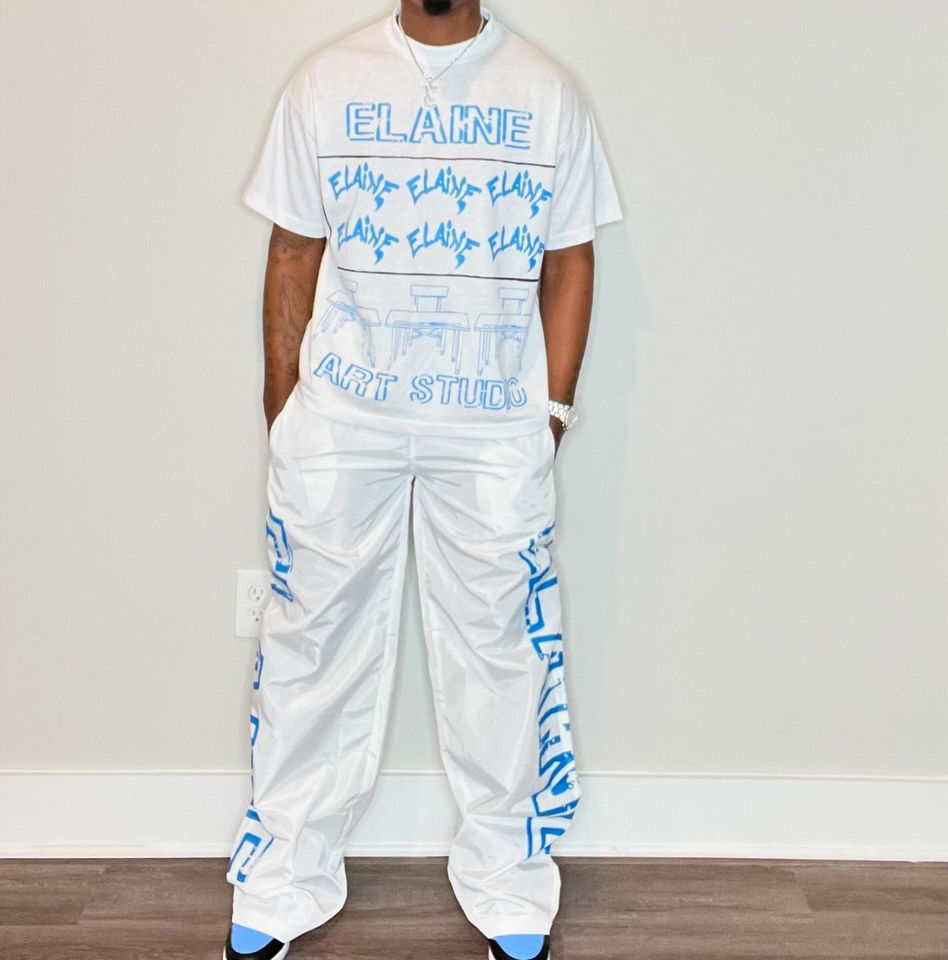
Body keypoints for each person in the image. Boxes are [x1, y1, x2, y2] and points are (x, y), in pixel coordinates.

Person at [223, 2, 621, 958]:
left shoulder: (547, 92)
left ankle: (509, 882)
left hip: (491, 428)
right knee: (311, 640)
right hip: (342, 420)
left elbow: (570, 260)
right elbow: (293, 251)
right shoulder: (326, 82)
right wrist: (286, 408)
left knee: (502, 652)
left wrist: (550, 412)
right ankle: (282, 880)